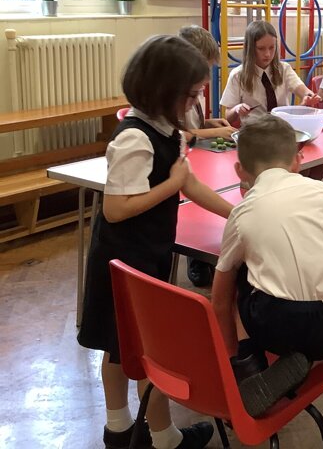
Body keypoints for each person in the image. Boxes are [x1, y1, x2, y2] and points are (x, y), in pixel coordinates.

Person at [77, 36, 234, 449]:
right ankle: (156, 436)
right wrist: (171, 185)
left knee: (124, 347)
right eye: (193, 93)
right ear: (166, 92)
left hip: (148, 253)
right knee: (136, 350)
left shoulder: (168, 129)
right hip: (123, 258)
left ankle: (127, 431)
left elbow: (190, 183)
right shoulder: (134, 137)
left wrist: (237, 214)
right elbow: (116, 209)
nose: (197, 99)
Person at [211, 115, 323, 415]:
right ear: (297, 161)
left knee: (240, 273)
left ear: (240, 171)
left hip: (277, 326)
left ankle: (248, 371)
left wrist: (229, 355)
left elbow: (219, 298)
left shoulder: (243, 212)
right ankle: (302, 359)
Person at [178, 25, 235, 288]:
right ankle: (195, 256)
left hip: (198, 157)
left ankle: (206, 247)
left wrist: (211, 123)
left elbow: (192, 126)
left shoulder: (193, 90)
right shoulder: (177, 91)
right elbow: (183, 133)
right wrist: (215, 131)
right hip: (187, 159)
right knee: (193, 204)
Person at [220, 20, 322, 127]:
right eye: (261, 48)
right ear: (250, 49)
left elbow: (303, 91)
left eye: (272, 47)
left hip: (283, 129)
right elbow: (228, 117)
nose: (267, 54)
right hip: (253, 132)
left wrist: (309, 97)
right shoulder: (237, 75)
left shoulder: (284, 68)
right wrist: (237, 109)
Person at [178, 25, 236, 142]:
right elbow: (174, 134)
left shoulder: (194, 85)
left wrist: (207, 123)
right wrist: (214, 132)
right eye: (203, 68)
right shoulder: (175, 91)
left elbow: (189, 125)